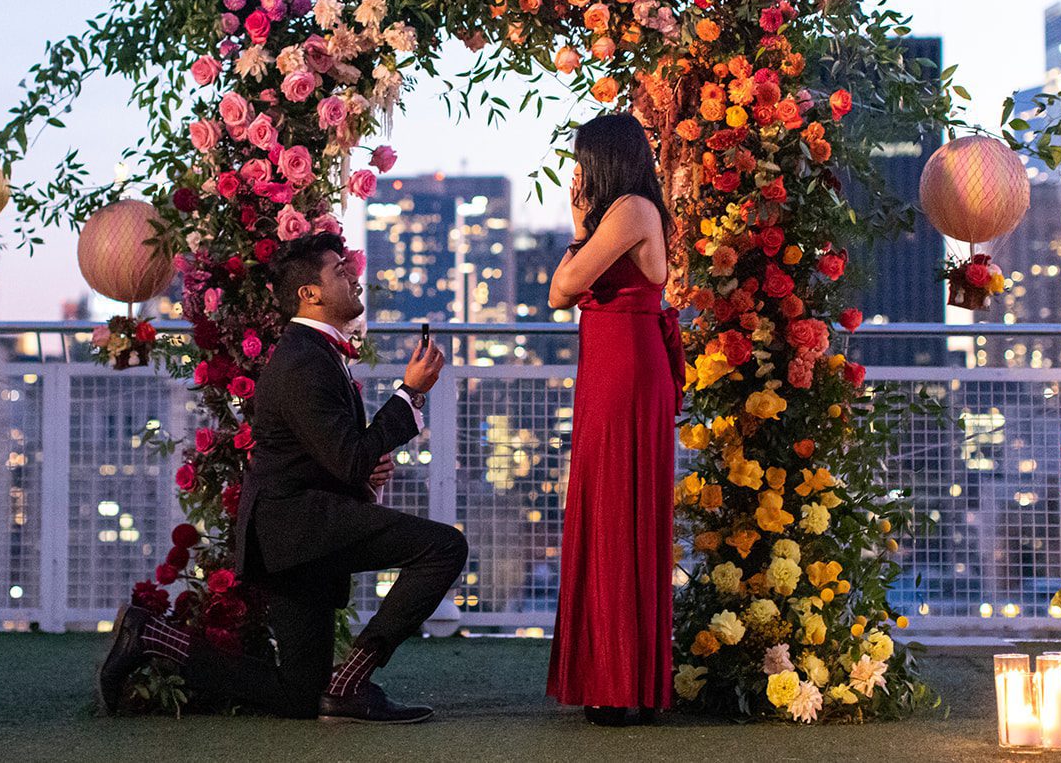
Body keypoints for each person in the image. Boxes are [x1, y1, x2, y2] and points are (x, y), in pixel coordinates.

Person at [97, 232, 467, 723]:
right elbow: (349, 457)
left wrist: (367, 464)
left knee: (296, 697)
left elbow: (337, 456)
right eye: (340, 270)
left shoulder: (313, 352)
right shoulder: (304, 361)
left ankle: (148, 635)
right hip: (298, 529)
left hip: (293, 535)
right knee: (443, 547)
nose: (353, 275)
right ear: (309, 294)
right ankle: (350, 682)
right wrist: (408, 394)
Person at [544, 111, 682, 727]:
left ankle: (621, 682)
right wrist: (580, 223)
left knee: (618, 513)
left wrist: (577, 224)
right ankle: (624, 677)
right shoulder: (620, 214)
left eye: (581, 160)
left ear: (602, 161)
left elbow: (562, 288)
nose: (576, 172)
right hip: (611, 367)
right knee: (608, 512)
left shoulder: (629, 208)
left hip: (625, 369)